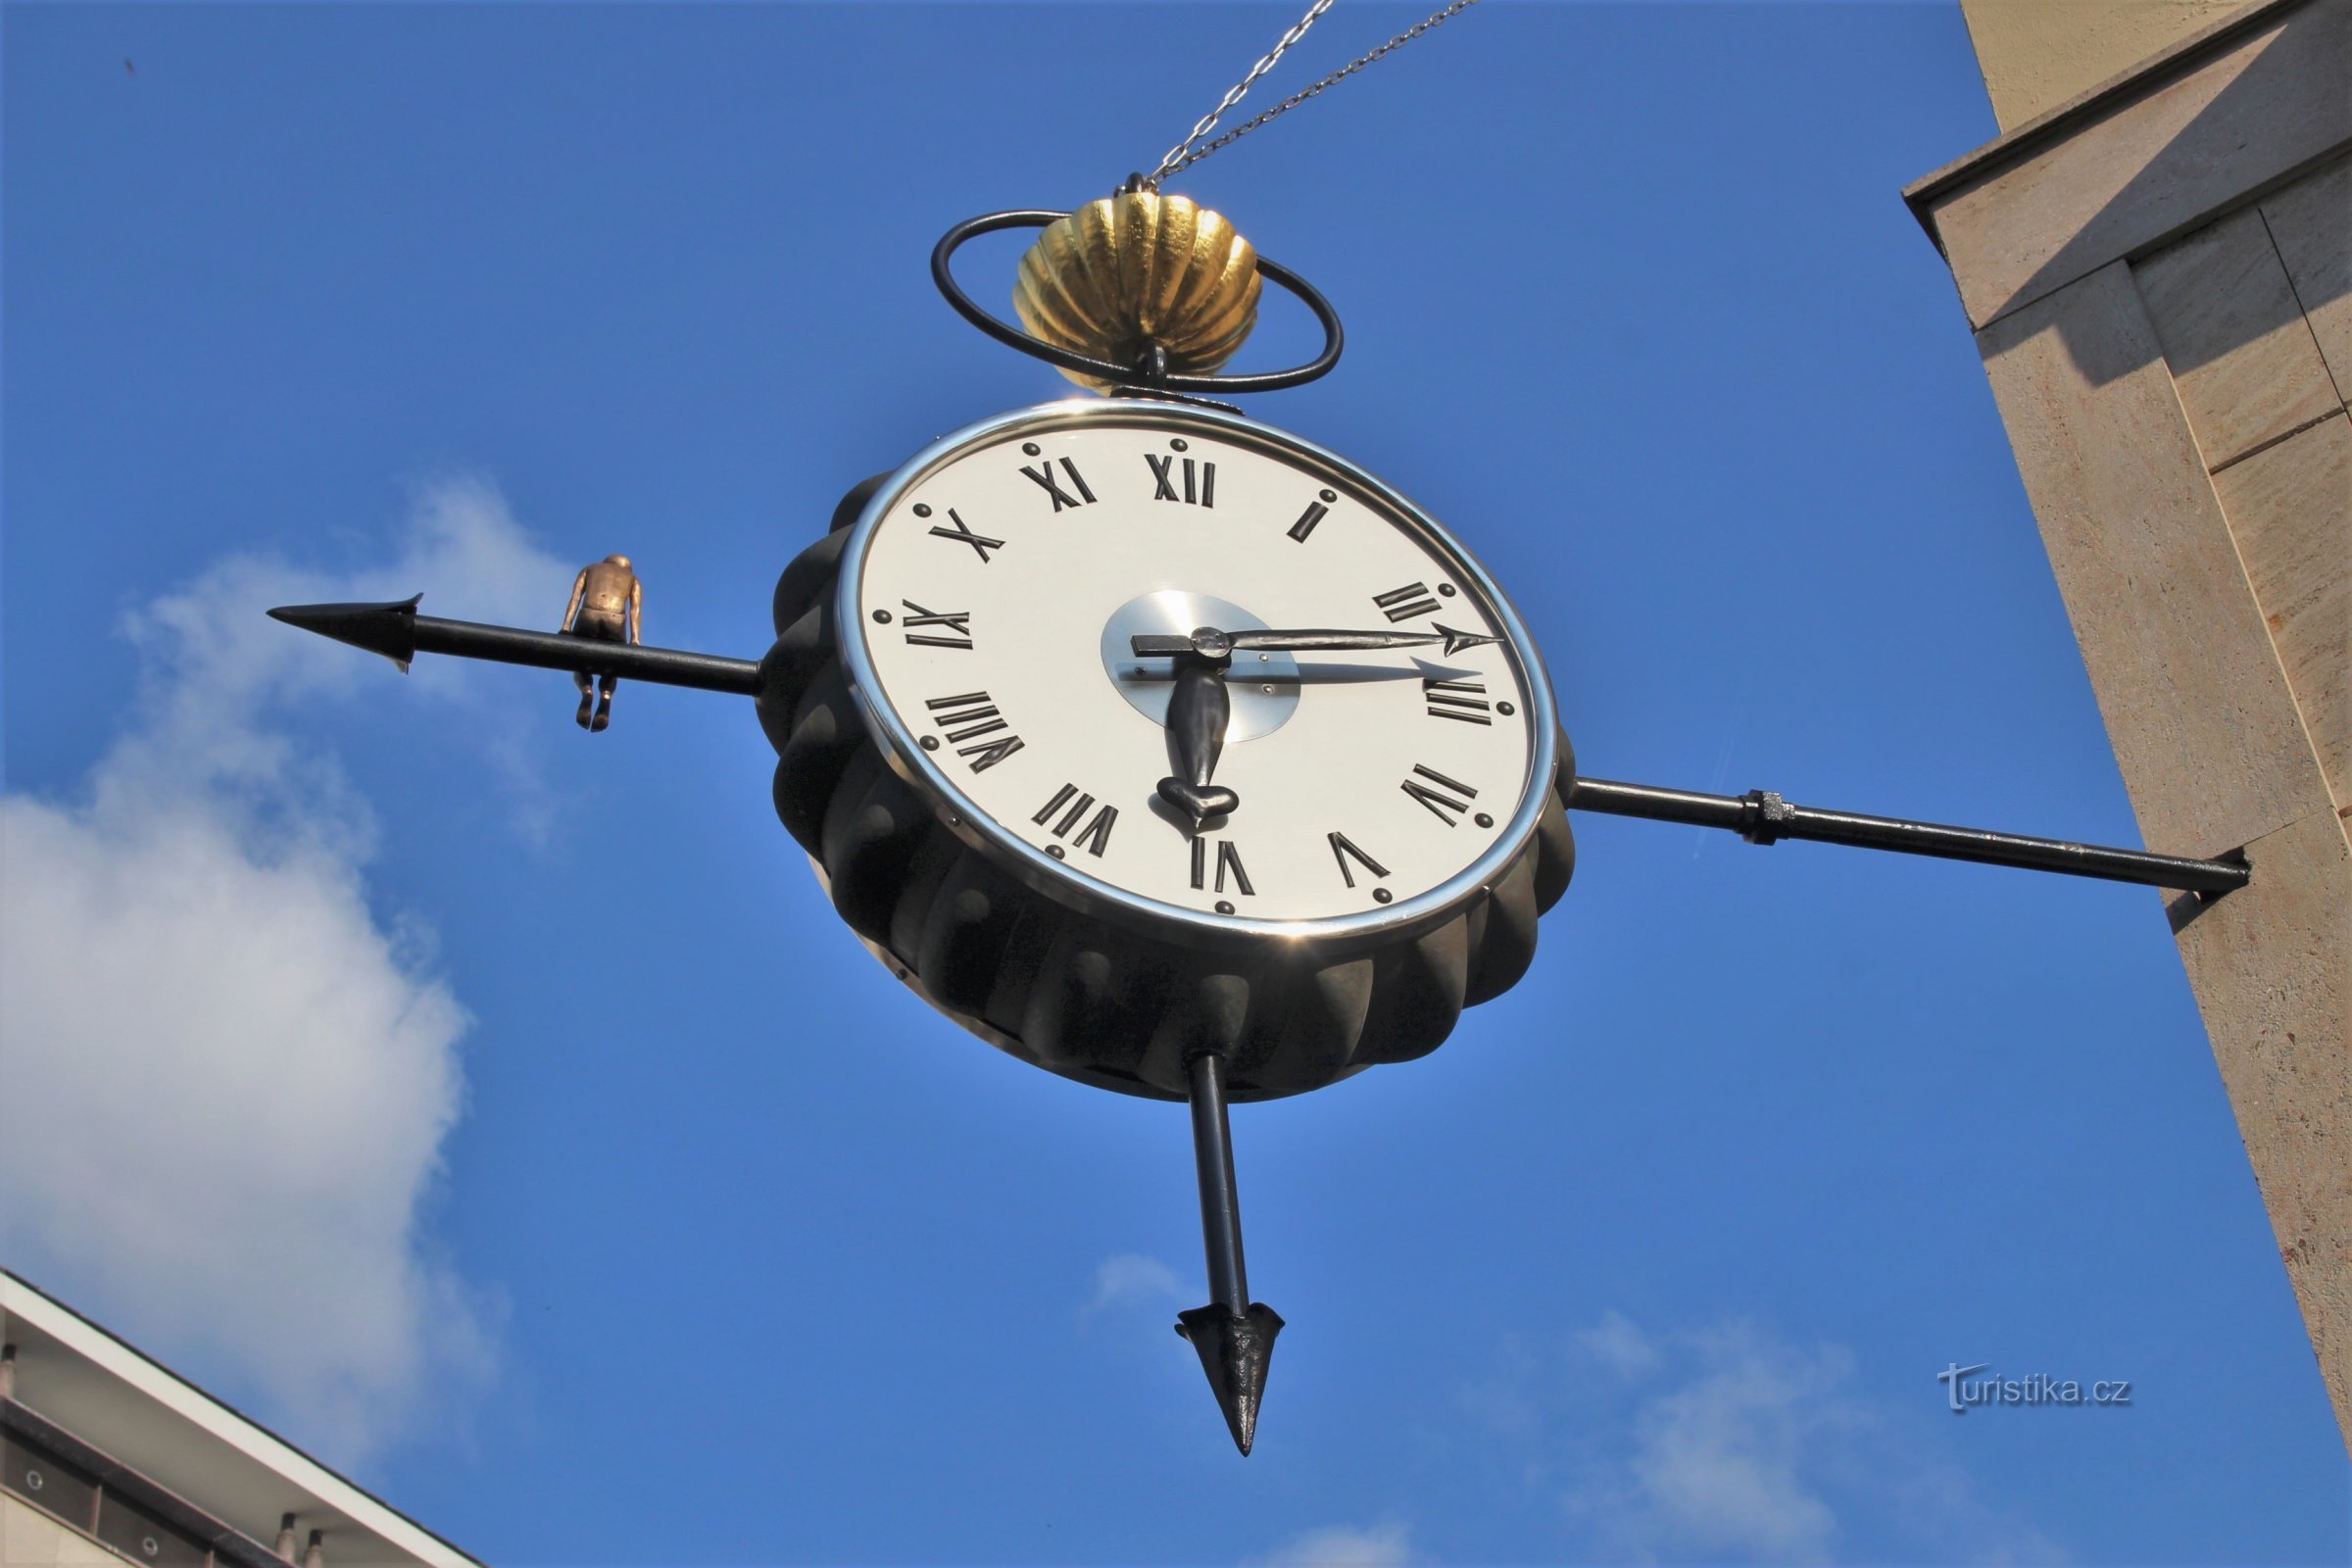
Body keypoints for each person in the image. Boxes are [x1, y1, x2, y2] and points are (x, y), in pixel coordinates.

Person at [560, 555, 642, 731]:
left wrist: (566, 627)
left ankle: (586, 690)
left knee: (580, 658)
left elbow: (575, 599)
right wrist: (635, 639)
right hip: (615, 620)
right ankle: (606, 694)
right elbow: (635, 610)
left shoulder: (590, 568)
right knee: (613, 664)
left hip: (588, 615)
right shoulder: (632, 579)